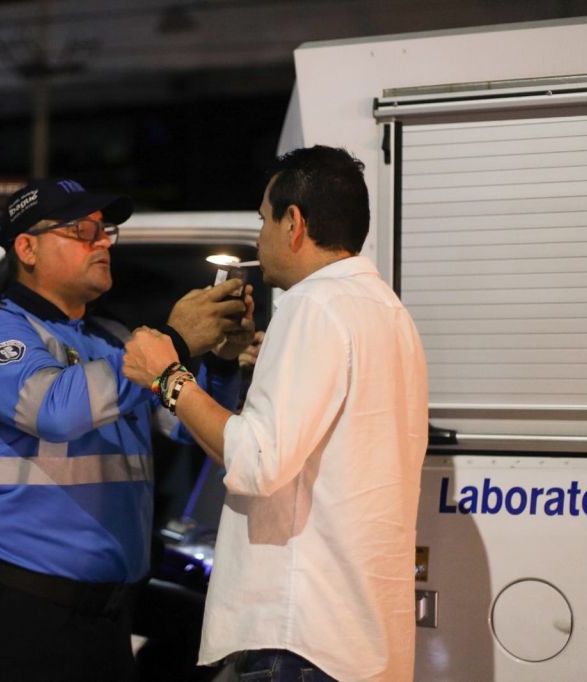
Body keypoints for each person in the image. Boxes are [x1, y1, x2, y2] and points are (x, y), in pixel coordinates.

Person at [0, 178, 253, 681]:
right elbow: (54, 408)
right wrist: (177, 342)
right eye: (82, 230)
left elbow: (184, 428)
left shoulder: (111, 338)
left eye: (105, 231)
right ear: (26, 248)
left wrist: (222, 364)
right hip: (18, 609)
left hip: (104, 617)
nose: (102, 242)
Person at [123, 145, 429, 681]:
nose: (259, 235)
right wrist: (231, 370)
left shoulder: (312, 305)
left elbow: (257, 460)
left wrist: (167, 375)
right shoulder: (387, 310)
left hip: (301, 637)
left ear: (295, 223)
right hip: (358, 638)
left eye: (264, 218)